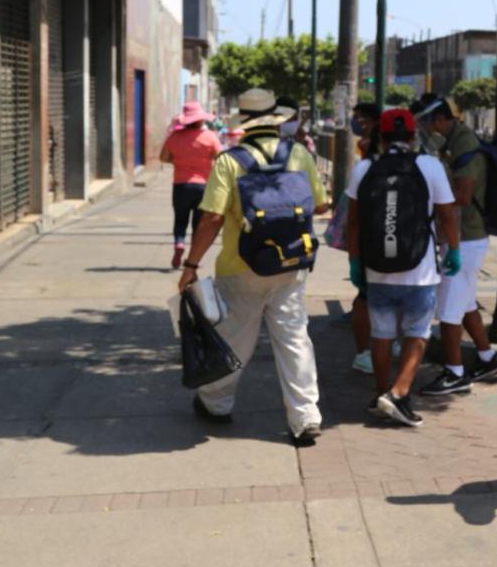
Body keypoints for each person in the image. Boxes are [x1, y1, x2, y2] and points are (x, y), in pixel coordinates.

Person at [177, 88, 329, 445]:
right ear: (275, 120)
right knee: (294, 339)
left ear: (244, 122)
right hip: (291, 262)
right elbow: (321, 205)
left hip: (241, 265)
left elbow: (212, 218)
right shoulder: (300, 154)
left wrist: (191, 264)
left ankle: (216, 404)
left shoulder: (230, 161)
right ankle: (305, 417)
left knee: (235, 338)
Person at [345, 108, 460, 427]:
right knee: (417, 334)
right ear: (412, 136)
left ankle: (381, 394)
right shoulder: (430, 166)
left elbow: (353, 222)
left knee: (381, 335)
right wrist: (454, 250)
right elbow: (447, 215)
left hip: (377, 269)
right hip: (420, 270)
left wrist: (355, 261)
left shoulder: (364, 168)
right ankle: (397, 394)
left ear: (380, 137)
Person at [410, 94, 497, 396]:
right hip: (461, 238)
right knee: (465, 304)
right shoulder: (452, 141)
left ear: (440, 119)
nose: (424, 129)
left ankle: (455, 373)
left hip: (464, 239)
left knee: (449, 311)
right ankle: (488, 357)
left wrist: (432, 195)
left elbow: (463, 196)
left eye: (426, 123)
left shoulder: (465, 145)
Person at [160, 101, 222, 269]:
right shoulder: (209, 136)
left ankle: (179, 242)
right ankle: (192, 259)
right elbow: (220, 157)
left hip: (180, 185)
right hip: (203, 186)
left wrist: (179, 161)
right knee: (198, 223)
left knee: (180, 219)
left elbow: (163, 157)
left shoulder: (174, 137)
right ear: (201, 119)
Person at [347, 102, 382, 375]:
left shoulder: (368, 156)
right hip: (377, 236)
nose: (358, 123)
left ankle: (368, 351)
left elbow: (354, 219)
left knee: (368, 297)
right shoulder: (367, 152)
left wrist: (354, 257)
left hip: (373, 236)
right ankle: (366, 351)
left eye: (362, 119)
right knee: (367, 297)